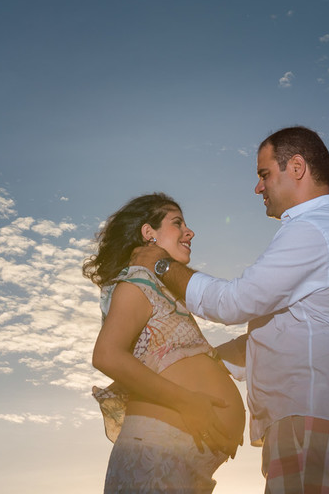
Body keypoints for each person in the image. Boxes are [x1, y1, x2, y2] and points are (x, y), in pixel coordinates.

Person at [132, 127, 329, 494]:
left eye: (264, 174)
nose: (258, 187)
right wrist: (195, 369)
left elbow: (235, 302)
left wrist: (160, 266)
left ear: (296, 167)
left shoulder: (315, 230)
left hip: (315, 422)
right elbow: (274, 339)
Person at [84, 193, 245, 493]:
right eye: (177, 223)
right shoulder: (136, 283)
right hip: (156, 456)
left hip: (179, 461)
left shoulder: (163, 292)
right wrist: (188, 402)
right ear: (149, 233)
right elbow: (106, 354)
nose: (190, 231)